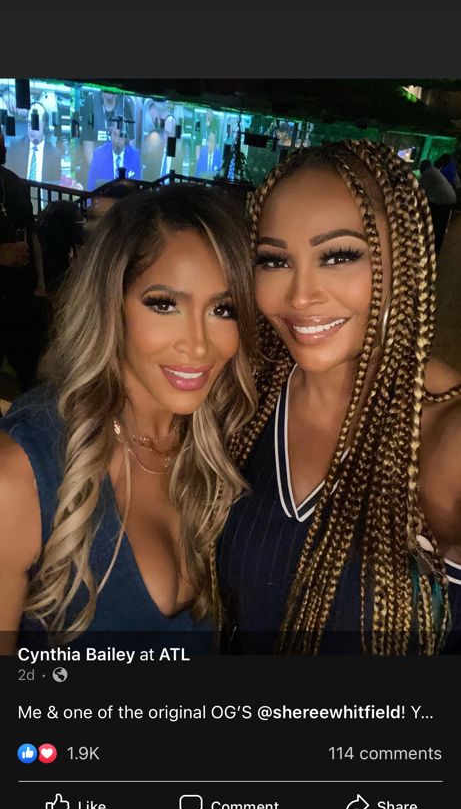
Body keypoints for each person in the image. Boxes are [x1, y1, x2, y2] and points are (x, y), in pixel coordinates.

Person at [215, 140, 461, 656]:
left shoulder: (448, 439)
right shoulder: (245, 396)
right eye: (275, 261)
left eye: (339, 255)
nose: (301, 295)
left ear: (405, 257)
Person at [0, 185, 256, 653]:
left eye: (225, 309)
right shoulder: (22, 469)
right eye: (164, 304)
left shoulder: (224, 437)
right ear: (110, 302)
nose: (199, 345)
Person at [0, 132, 48, 393]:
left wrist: (41, 284)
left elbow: (32, 235)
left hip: (22, 297)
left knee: (31, 371)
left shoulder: (14, 183)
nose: (3, 146)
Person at [6, 103, 61, 183]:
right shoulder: (15, 147)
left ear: (45, 126)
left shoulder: (54, 154)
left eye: (36, 124)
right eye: (29, 123)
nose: (31, 129)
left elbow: (55, 189)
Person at [87, 124, 141, 191]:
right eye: (115, 134)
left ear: (126, 137)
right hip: (105, 199)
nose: (117, 140)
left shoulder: (135, 155)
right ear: (110, 134)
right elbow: (91, 187)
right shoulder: (99, 154)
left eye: (121, 135)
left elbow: (138, 187)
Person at [419, 159, 456, 255]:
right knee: (441, 227)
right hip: (449, 200)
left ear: (423, 167)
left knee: (436, 226)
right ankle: (435, 249)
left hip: (442, 202)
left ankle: (432, 250)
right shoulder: (434, 171)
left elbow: (419, 189)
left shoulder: (427, 173)